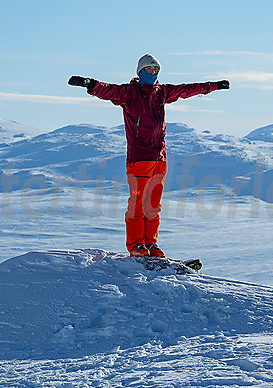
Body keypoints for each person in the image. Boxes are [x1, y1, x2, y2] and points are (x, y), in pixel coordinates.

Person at [69, 54, 230, 257]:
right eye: (149, 69)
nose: (153, 72)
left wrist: (214, 85)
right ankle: (136, 245)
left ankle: (150, 244)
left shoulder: (161, 92)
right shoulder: (129, 93)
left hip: (159, 159)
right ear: (140, 71)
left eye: (156, 69)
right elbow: (108, 90)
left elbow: (188, 89)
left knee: (153, 205)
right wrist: (90, 84)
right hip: (139, 158)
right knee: (137, 204)